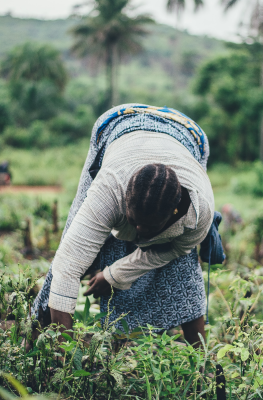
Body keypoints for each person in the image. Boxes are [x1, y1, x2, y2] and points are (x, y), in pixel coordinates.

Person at [31, 104, 223, 347]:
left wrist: (114, 275)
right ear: (124, 201)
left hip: (189, 135)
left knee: (182, 266)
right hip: (118, 125)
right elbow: (67, 268)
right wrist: (65, 352)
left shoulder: (198, 213)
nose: (139, 234)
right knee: (72, 241)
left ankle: (200, 359)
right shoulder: (110, 190)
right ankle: (37, 330)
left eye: (149, 228)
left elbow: (173, 251)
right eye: (134, 223)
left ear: (174, 213)